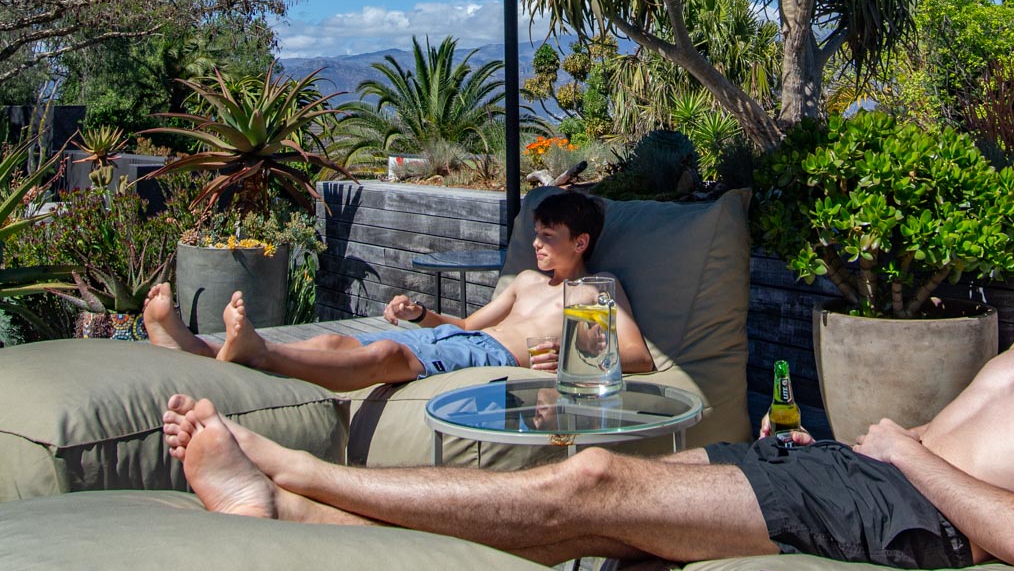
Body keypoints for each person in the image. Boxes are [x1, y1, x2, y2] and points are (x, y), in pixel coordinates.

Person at [162, 209, 1014, 571]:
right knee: (599, 523)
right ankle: (287, 511)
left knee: (597, 482)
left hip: (909, 513)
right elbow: (955, 432)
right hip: (856, 474)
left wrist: (909, 454)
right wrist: (870, 444)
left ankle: (298, 469)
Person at [143, 192, 654, 392]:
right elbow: (469, 327)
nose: (537, 245)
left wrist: (568, 361)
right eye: (536, 234)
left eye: (549, 237)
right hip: (461, 345)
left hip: (491, 361)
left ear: (581, 242)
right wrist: (421, 315)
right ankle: (195, 346)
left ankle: (255, 351)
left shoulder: (592, 293)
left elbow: (636, 356)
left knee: (386, 355)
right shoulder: (524, 282)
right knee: (336, 343)